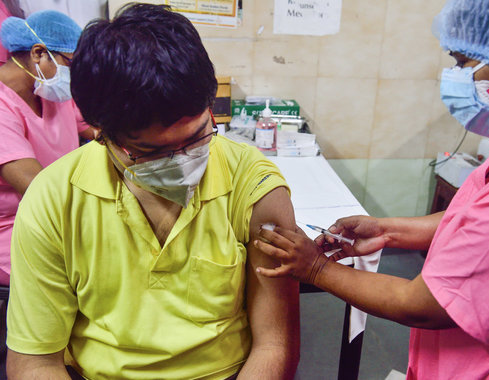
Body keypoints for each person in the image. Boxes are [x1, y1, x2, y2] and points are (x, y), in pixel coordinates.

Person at [255, 0, 489, 378]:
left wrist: (316, 268)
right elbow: (481, 220)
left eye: (464, 63)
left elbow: (421, 304)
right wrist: (390, 230)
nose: (455, 76)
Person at [6, 4, 299, 379]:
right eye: (151, 152)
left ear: (210, 108)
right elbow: (35, 362)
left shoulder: (254, 188)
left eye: (196, 138)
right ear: (100, 133)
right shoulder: (53, 201)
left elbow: (275, 345)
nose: (181, 161)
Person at [0, 10, 94, 286]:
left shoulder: (51, 93)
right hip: (12, 226)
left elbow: (97, 130)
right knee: (87, 267)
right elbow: (33, 185)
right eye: (70, 65)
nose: (72, 77)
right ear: (39, 53)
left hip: (59, 212)